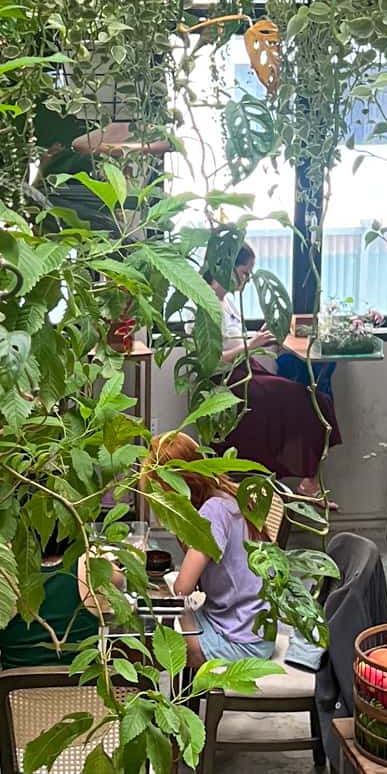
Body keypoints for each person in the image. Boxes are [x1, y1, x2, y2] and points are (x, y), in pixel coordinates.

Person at [0, 532, 113, 735]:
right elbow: (120, 581)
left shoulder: (0, 572)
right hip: (86, 714)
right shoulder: (91, 563)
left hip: (15, 715)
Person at [212, 245, 341, 503]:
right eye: (244, 272)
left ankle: (307, 480)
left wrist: (258, 338)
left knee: (315, 394)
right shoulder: (205, 303)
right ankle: (308, 481)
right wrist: (254, 344)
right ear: (225, 268)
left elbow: (230, 340)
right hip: (228, 381)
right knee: (309, 401)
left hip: (244, 371)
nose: (248, 280)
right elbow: (214, 360)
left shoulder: (225, 301)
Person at [145, 432, 277, 670]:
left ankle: (181, 697)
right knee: (168, 624)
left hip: (242, 642)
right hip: (251, 627)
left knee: (156, 648)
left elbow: (183, 588)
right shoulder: (227, 496)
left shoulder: (213, 512)